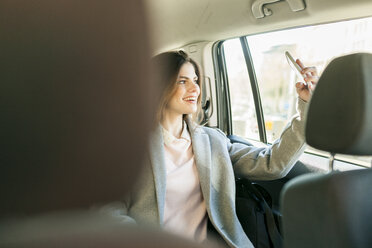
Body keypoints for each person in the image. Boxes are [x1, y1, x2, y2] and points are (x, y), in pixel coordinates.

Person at [107, 50, 318, 248]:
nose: (195, 89)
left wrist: (306, 106)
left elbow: (273, 164)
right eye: (183, 81)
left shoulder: (212, 141)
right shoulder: (129, 147)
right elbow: (109, 211)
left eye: (196, 81)